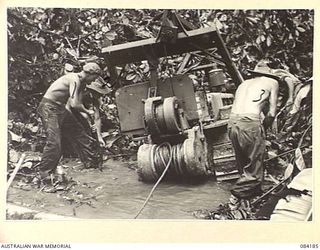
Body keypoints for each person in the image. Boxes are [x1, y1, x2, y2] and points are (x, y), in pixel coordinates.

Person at [34, 62, 102, 186]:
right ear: (90, 73)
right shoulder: (74, 79)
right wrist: (88, 111)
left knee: (79, 132)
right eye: (94, 78)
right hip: (49, 107)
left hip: (60, 108)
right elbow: (75, 104)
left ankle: (91, 163)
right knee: (54, 142)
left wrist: (86, 116)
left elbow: (74, 104)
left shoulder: (82, 84)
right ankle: (44, 174)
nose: (93, 81)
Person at [227, 74, 279, 209]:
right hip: (250, 123)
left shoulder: (243, 84)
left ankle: (247, 203)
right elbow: (272, 114)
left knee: (243, 165)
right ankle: (234, 198)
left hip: (232, 123)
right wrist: (263, 129)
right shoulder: (272, 82)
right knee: (255, 171)